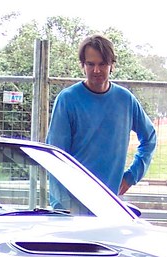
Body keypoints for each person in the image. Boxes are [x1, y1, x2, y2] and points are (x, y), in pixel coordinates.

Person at [47, 34, 157, 196]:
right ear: (82, 65)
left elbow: (149, 137)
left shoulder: (125, 100)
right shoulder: (67, 99)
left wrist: (132, 175)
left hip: (110, 201)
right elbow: (55, 154)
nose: (96, 70)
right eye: (90, 64)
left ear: (112, 65)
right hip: (74, 200)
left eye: (102, 64)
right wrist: (61, 204)